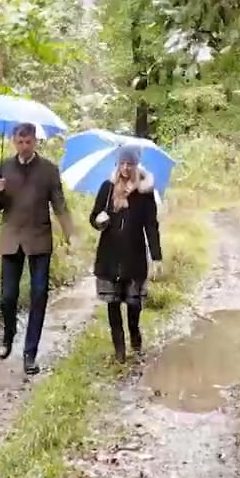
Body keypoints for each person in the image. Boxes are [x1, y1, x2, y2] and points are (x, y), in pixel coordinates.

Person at [0, 122, 75, 375]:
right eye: (20, 142)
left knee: (39, 295)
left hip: (39, 238)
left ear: (36, 141)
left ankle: (30, 353)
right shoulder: (3, 167)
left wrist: (70, 233)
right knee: (7, 297)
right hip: (11, 238)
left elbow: (59, 203)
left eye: (29, 142)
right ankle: (8, 334)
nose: (24, 147)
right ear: (14, 141)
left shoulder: (49, 170)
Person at [89, 145, 163, 361]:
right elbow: (94, 216)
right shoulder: (108, 188)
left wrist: (157, 256)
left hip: (134, 254)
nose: (125, 167)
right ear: (117, 164)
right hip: (109, 254)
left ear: (136, 165)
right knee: (112, 303)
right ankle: (119, 348)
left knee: (133, 304)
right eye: (122, 163)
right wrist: (98, 221)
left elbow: (151, 225)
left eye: (130, 163)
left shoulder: (144, 194)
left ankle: (135, 334)